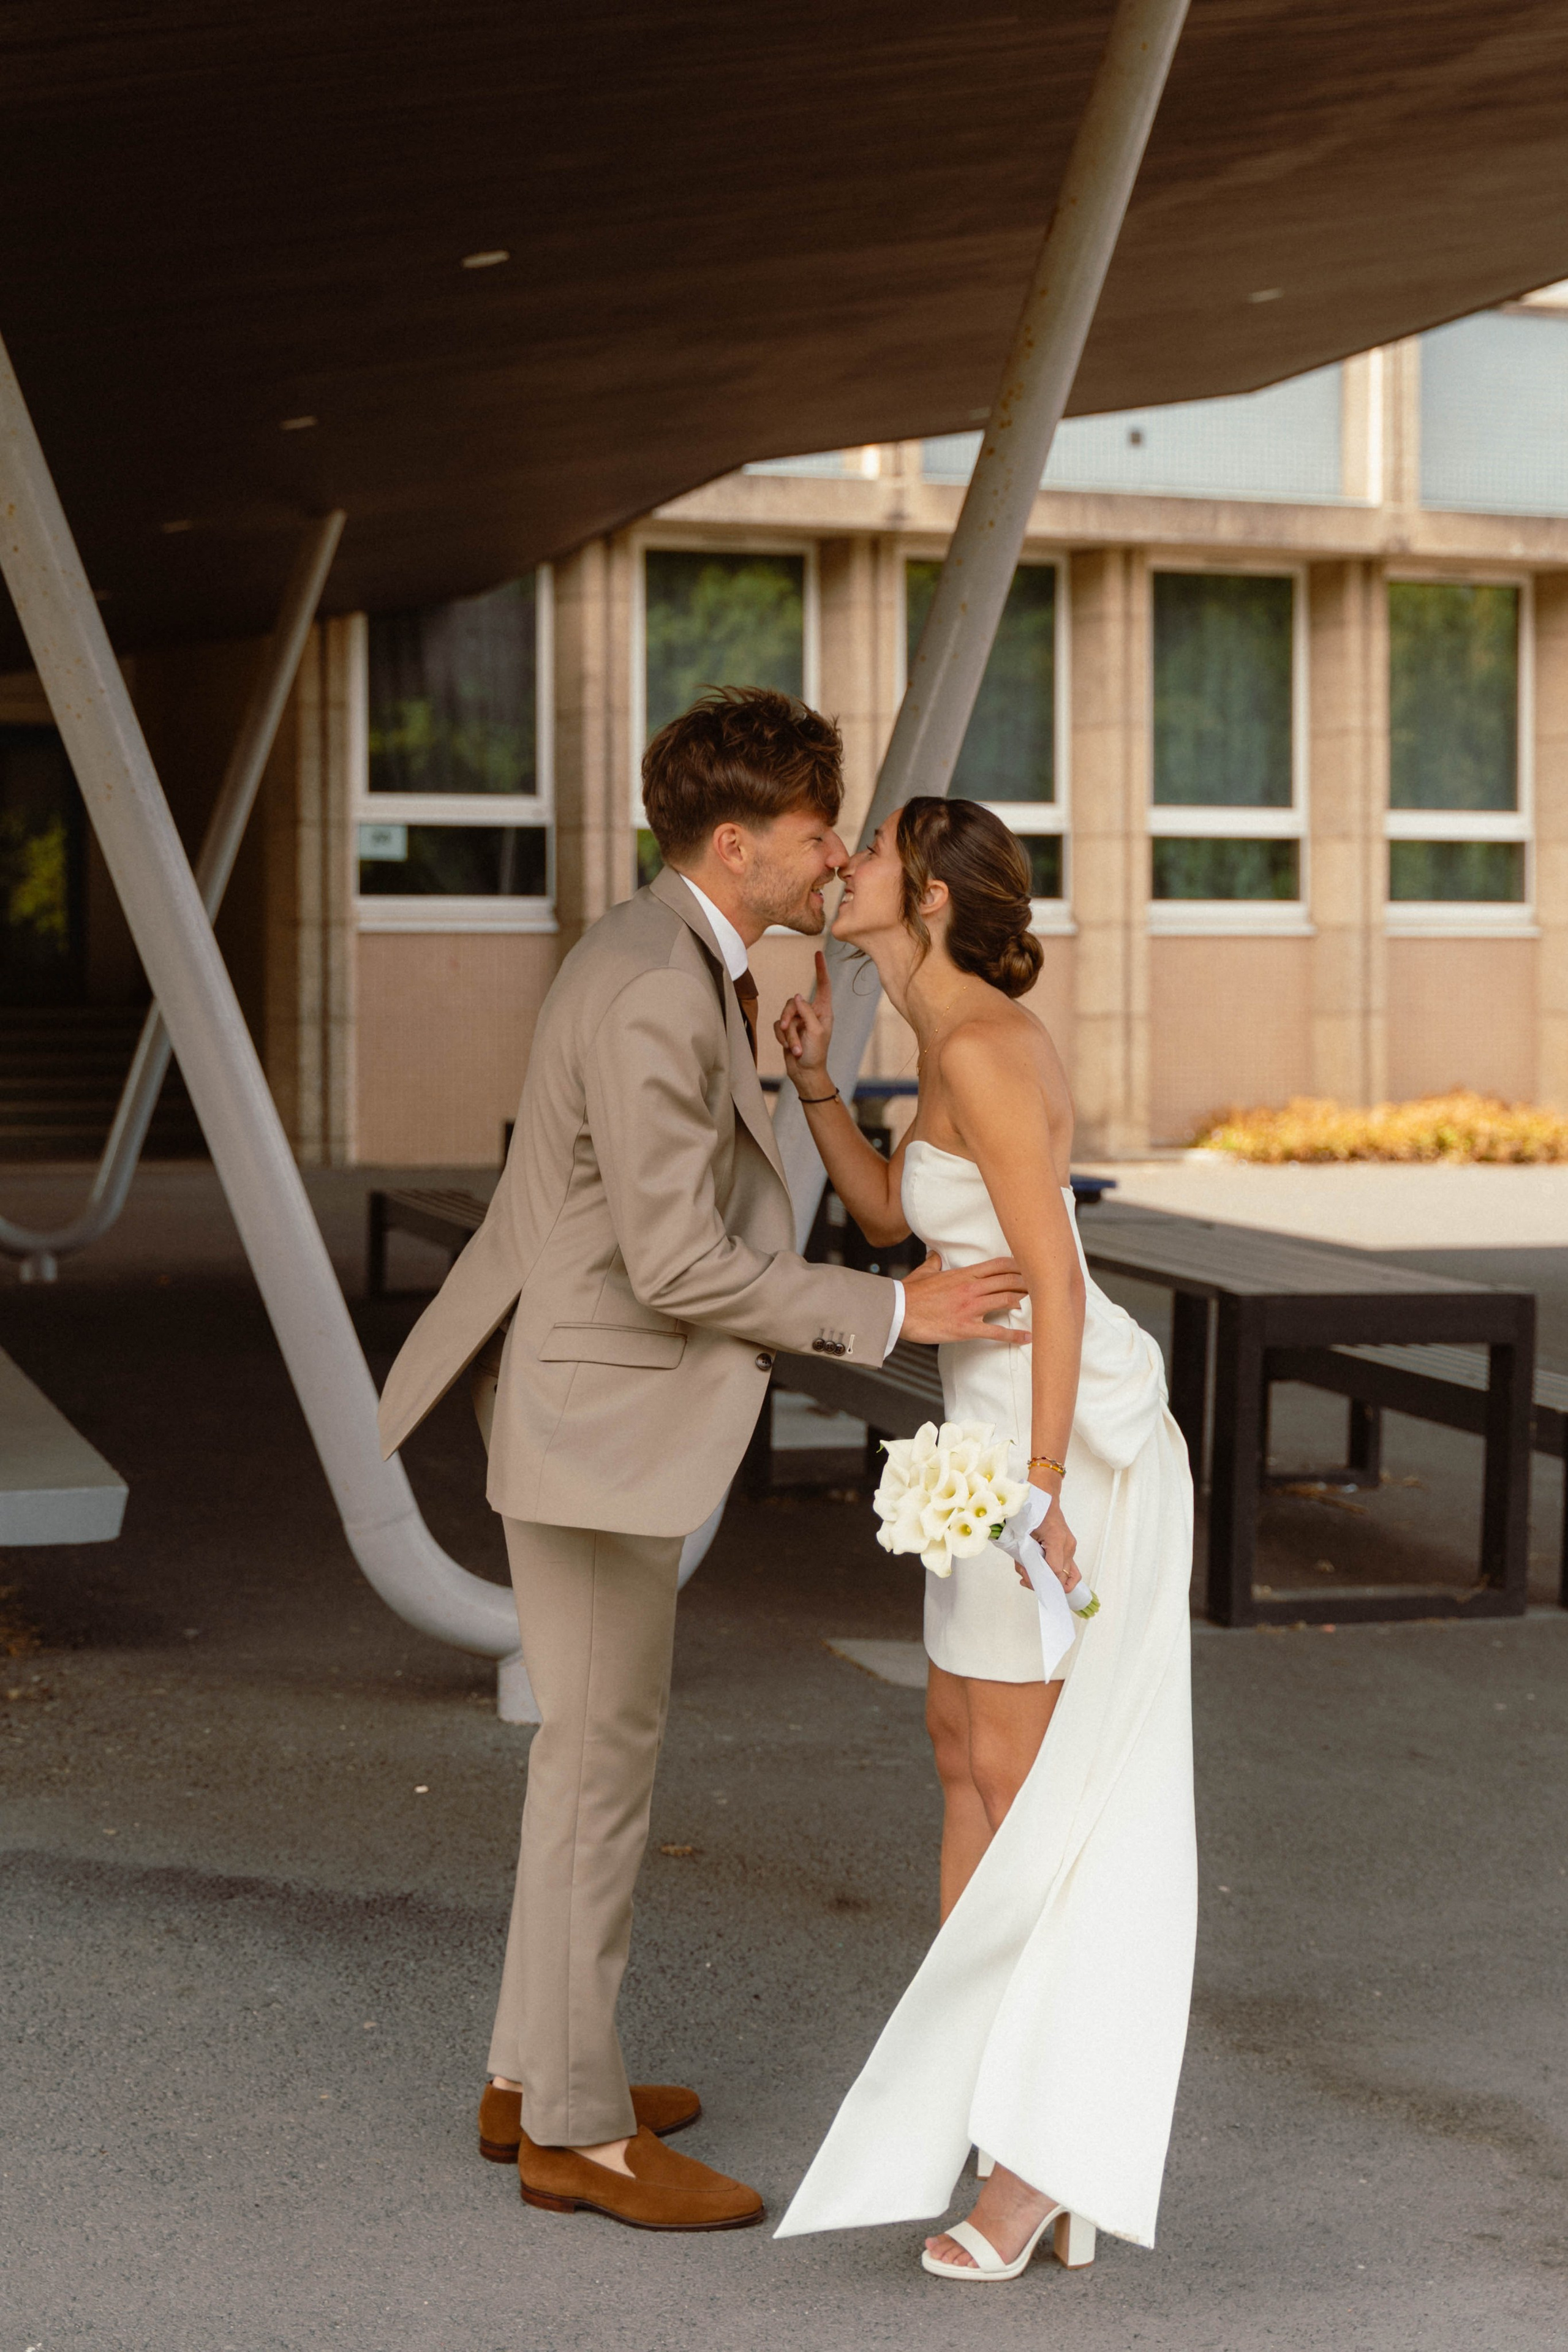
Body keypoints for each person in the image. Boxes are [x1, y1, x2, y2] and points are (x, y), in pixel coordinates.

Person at [375, 693, 1029, 2235]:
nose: (834, 858)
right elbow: (675, 1262)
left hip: (590, 1413)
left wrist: (801, 1062)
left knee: (585, 1764)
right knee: (599, 1777)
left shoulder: (673, 953)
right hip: (599, 1422)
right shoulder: (655, 990)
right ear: (735, 843)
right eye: (816, 835)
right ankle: (578, 2138)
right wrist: (894, 1309)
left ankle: (532, 2075)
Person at [772, 796, 1197, 2280]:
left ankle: (1030, 2166)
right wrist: (820, 1085)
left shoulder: (988, 1048)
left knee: (1027, 1794)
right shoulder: (928, 1041)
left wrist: (1041, 1486)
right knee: (961, 1758)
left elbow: (1059, 1284)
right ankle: (1012, 2128)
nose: (847, 865)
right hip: (983, 1438)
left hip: (1053, 1444)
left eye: (872, 849)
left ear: (932, 895)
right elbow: (901, 1222)